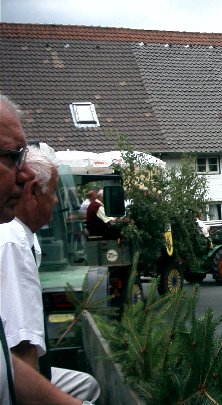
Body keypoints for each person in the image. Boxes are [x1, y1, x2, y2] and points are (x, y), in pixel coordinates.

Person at [0, 93, 85, 405]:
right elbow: (22, 353)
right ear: (35, 193)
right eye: (12, 158)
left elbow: (4, 367)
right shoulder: (12, 242)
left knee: (84, 387)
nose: (23, 177)